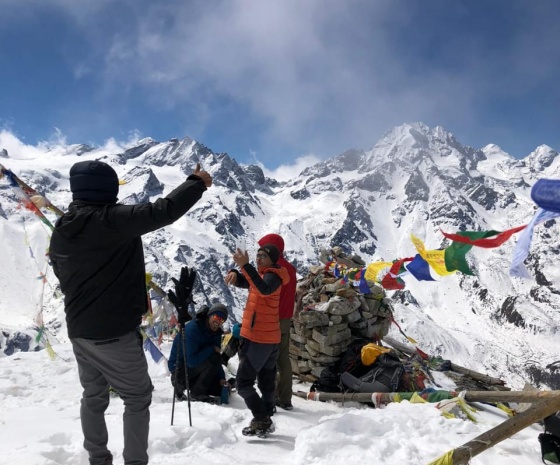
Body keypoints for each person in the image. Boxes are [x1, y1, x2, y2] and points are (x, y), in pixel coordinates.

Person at [49, 160, 212, 465]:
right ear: (107, 189)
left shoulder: (63, 228)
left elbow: (58, 270)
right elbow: (162, 211)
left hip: (79, 330)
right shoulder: (111, 220)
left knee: (93, 396)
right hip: (113, 332)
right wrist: (197, 181)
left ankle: (98, 458)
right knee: (138, 396)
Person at [225, 243, 290, 436]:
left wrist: (245, 266)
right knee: (266, 380)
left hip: (259, 339)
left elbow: (263, 289)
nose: (259, 258)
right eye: (258, 255)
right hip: (268, 338)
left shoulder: (272, 276)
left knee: (244, 383)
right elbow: (250, 282)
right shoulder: (265, 275)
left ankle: (262, 418)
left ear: (272, 260)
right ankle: (267, 413)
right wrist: (236, 274)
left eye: (263, 256)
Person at [258, 234, 297, 411]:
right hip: (286, 318)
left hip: (271, 318)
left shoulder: (273, 269)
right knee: (283, 359)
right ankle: (286, 398)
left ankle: (270, 397)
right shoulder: (291, 268)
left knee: (268, 359)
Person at [168, 303, 233, 403]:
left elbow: (217, 360)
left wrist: (221, 378)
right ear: (209, 315)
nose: (218, 321)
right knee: (214, 356)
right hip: (180, 370)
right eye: (216, 317)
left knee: (221, 390)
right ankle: (194, 392)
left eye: (221, 319)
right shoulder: (193, 329)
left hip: (196, 369)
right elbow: (191, 361)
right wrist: (211, 349)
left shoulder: (216, 333)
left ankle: (198, 388)